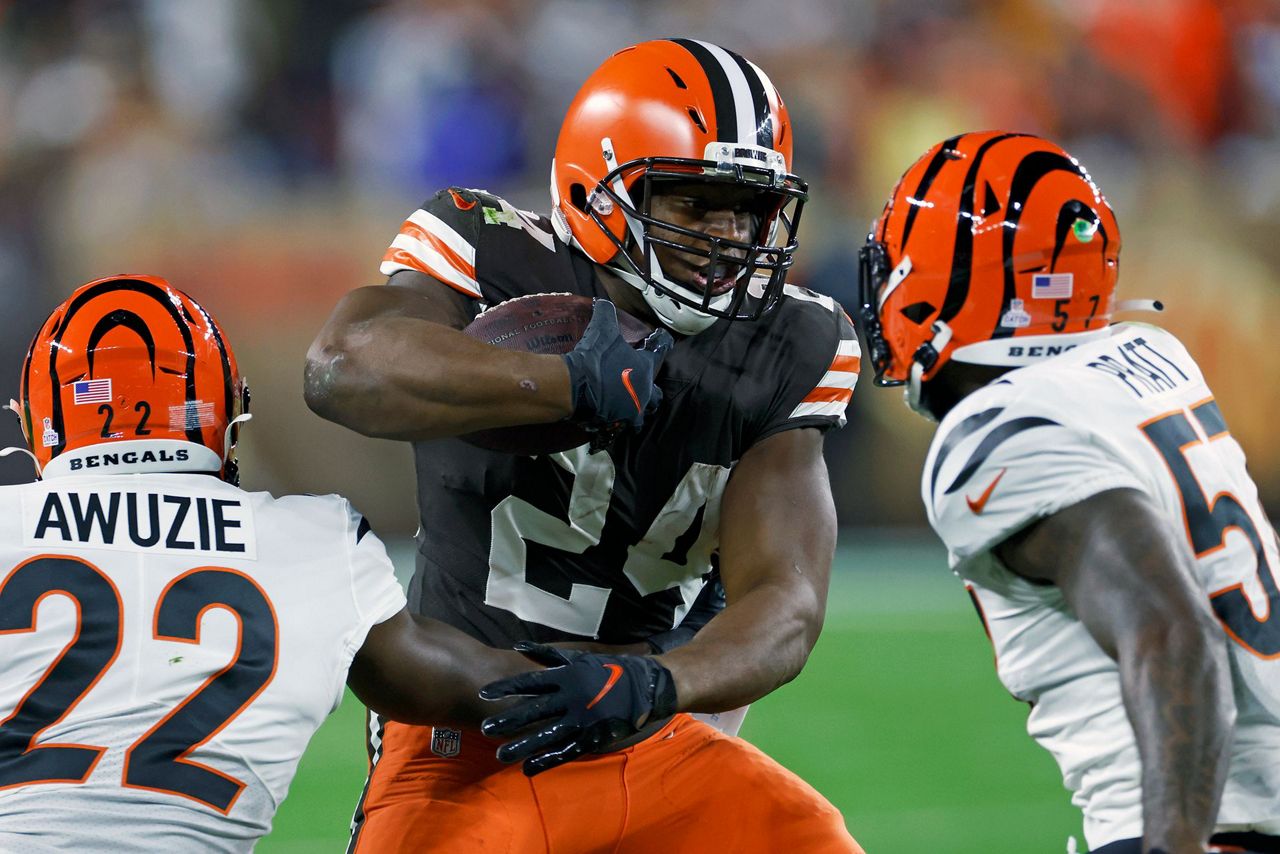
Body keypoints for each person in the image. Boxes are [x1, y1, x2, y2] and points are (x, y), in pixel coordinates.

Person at [306, 39, 863, 854]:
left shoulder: (794, 340)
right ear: (597, 191)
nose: (730, 236)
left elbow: (785, 606)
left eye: (747, 208)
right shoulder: (493, 251)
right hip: (466, 729)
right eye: (694, 202)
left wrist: (655, 683)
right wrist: (562, 381)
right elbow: (340, 369)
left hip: (650, 729)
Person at [0, 275, 537, 853]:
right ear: (224, 413)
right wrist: (635, 681)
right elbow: (472, 689)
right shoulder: (316, 540)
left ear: (39, 422)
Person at [857, 131, 1280, 854]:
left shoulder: (998, 433)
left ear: (947, 279)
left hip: (1201, 825)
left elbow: (1172, 632)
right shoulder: (1153, 355)